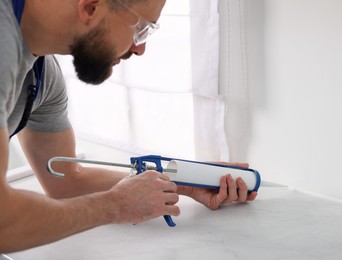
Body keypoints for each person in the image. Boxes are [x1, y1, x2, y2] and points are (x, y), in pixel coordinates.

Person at [0, 0, 258, 253]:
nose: (140, 48)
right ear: (90, 7)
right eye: (141, 28)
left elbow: (66, 182)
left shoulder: (43, 76)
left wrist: (183, 182)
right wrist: (115, 206)